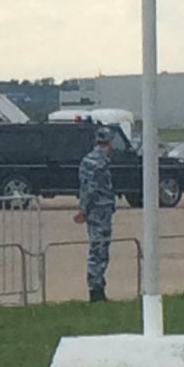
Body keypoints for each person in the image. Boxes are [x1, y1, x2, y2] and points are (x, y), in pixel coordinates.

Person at [75, 126, 116, 302]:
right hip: (98, 211)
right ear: (109, 142)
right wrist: (83, 210)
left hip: (102, 210)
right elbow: (89, 188)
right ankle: (95, 290)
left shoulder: (94, 160)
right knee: (98, 249)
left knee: (101, 249)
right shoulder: (97, 162)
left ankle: (98, 287)